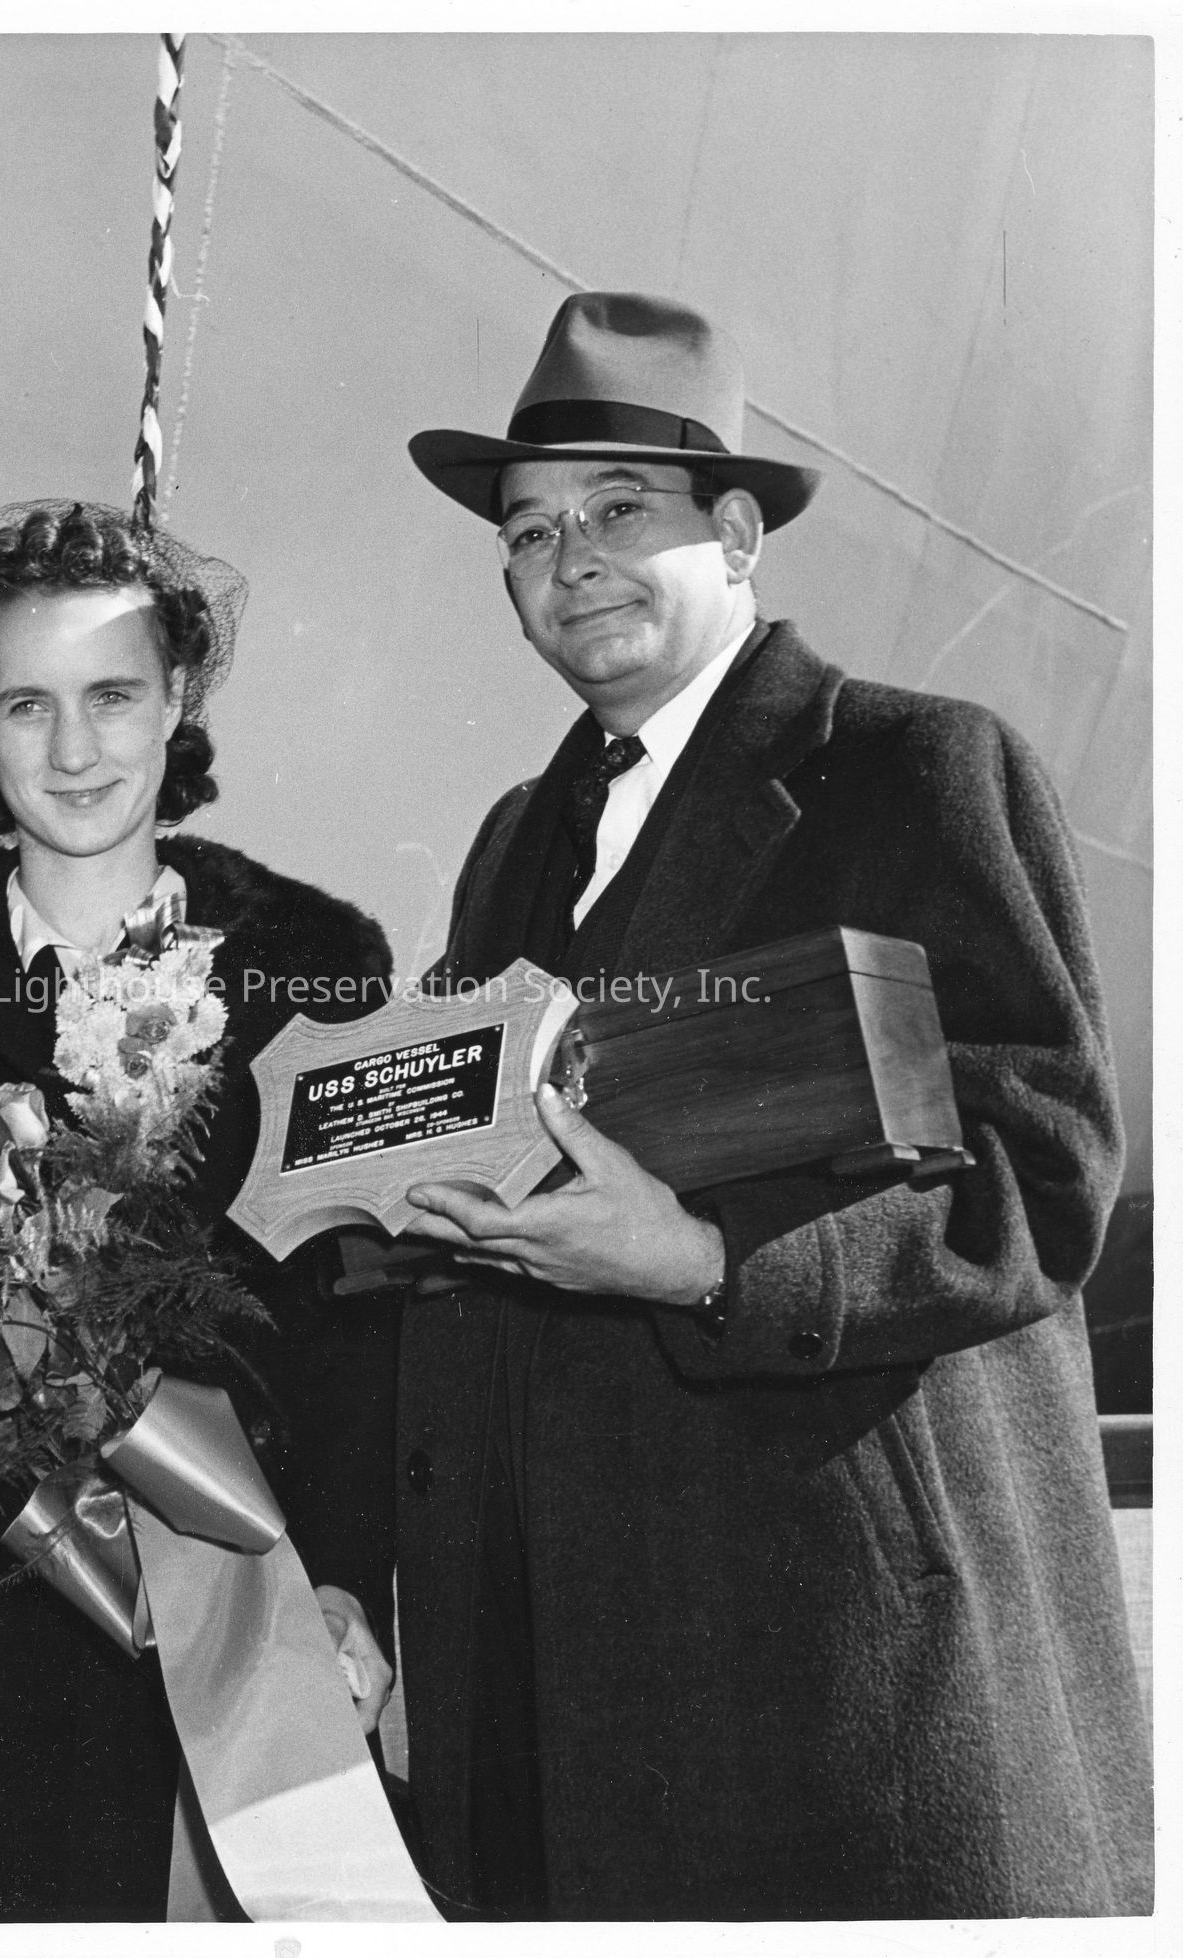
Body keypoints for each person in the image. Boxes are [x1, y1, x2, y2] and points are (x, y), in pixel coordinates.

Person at [389, 291, 1152, 1917]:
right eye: (528, 531)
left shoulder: (916, 768)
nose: (569, 558)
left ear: (736, 535)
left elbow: (1044, 1171)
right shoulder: (513, 841)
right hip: (562, 1702)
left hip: (836, 1676)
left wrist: (712, 1261)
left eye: (618, 510)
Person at [0, 500, 402, 1920]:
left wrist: (345, 1581)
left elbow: (354, 1318)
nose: (73, 750)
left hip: (247, 1598)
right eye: (27, 703)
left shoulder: (316, 962)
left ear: (178, 696)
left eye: (113, 696)